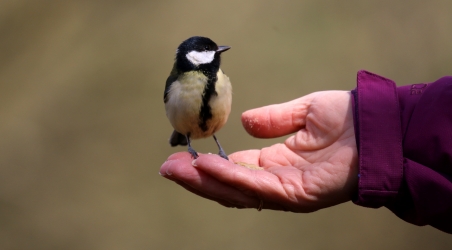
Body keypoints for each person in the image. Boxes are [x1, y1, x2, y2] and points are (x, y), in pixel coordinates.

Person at [160, 70, 452, 234]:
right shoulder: (177, 80)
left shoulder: (222, 78)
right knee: (188, 142)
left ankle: (217, 149)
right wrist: (382, 130)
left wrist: (378, 133)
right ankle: (187, 144)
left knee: (213, 132)